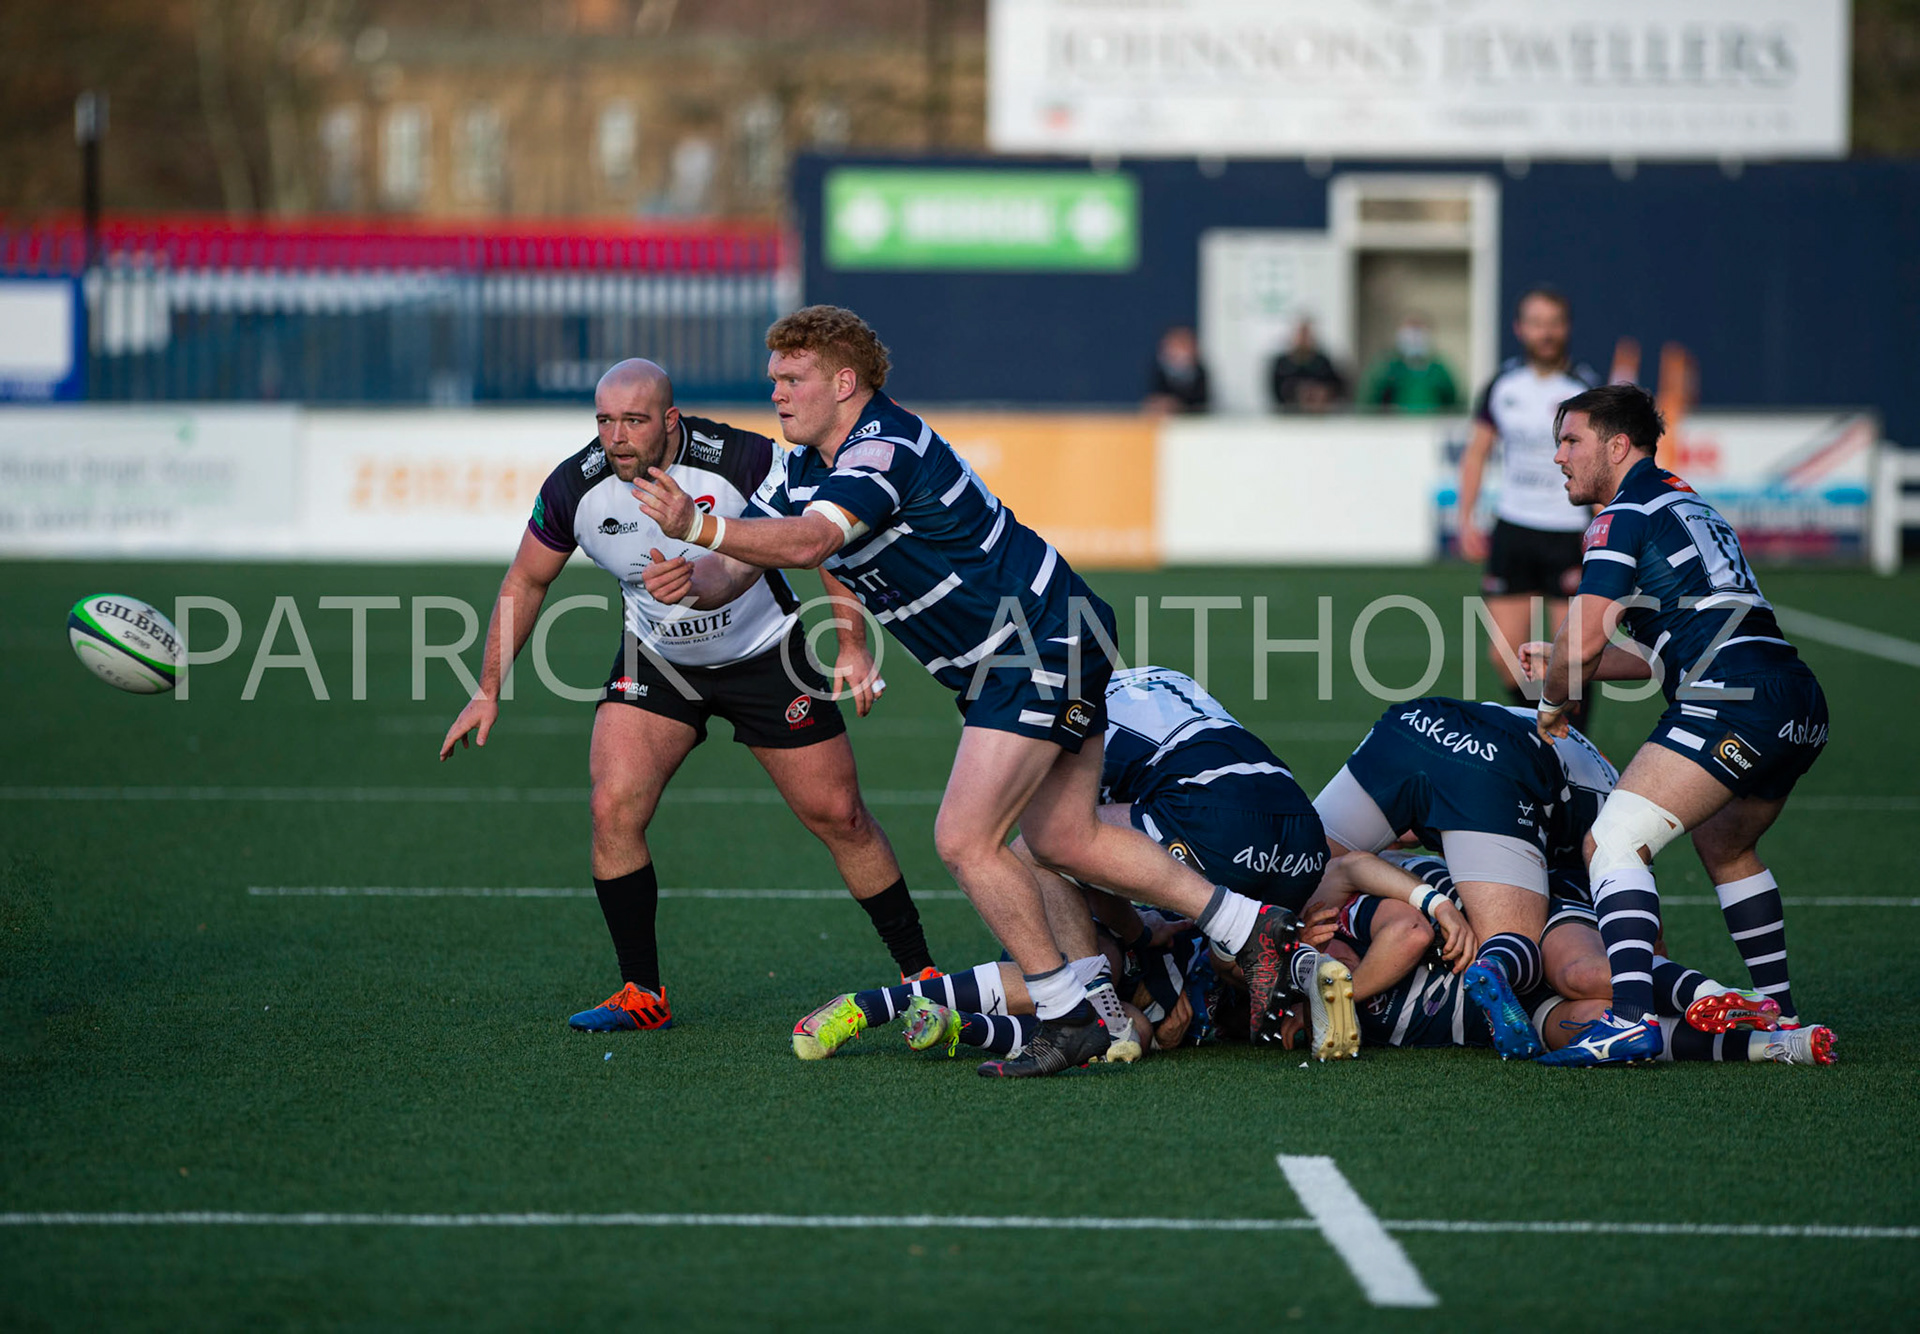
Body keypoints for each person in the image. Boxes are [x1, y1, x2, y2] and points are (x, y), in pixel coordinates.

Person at [633, 306, 1297, 1078]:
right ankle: (1253, 929)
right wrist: (692, 576)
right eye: (773, 376)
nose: (775, 391)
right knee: (1060, 840)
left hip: (1037, 641)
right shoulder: (802, 466)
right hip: (1031, 647)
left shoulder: (883, 445)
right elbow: (743, 564)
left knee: (964, 837)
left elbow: (812, 542)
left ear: (843, 382)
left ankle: (1066, 1011)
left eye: (793, 377)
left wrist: (703, 529)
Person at [438, 358, 937, 1034]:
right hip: (658, 658)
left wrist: (849, 644)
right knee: (612, 805)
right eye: (605, 421)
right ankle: (643, 992)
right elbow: (526, 582)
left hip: (765, 653)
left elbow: (819, 546)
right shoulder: (573, 488)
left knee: (840, 816)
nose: (616, 437)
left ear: (670, 421)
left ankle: (922, 978)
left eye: (634, 421)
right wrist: (486, 688)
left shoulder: (743, 459)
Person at [1524, 382, 1829, 1065]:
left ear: (1617, 445)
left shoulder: (1618, 515)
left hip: (1733, 698)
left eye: (1571, 441)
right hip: (1793, 699)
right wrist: (1580, 665)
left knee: (1611, 841)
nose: (1559, 458)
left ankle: (1630, 1021)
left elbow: (1579, 643)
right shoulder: (1686, 501)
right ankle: (1781, 1015)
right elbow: (1663, 652)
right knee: (1726, 848)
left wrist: (1551, 701)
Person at [1311, 696, 1618, 1058]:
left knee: (1294, 883)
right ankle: (1690, 992)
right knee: (1511, 957)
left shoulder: (1603, 809)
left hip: (1414, 724)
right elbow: (1643, 934)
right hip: (1492, 758)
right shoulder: (1613, 825)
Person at [1455, 288, 1605, 713]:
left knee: (1572, 664)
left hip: (1568, 534)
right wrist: (1466, 521)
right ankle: (1547, 730)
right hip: (1514, 529)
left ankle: (1572, 755)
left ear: (1566, 328)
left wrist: (1605, 533)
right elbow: (1477, 453)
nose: (1546, 332)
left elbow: (1601, 469)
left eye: (1554, 323)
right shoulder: (1503, 386)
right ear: (1520, 329)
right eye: (1537, 323)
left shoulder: (1585, 389)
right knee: (1504, 659)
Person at [1359, 315, 1459, 413]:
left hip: (1433, 425)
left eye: (1419, 333)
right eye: (1410, 334)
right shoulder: (1388, 368)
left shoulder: (1439, 371)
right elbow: (1370, 401)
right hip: (1395, 426)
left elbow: (1454, 402)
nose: (1414, 339)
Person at [1268, 318, 1346, 412]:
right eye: (1301, 334)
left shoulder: (1323, 362)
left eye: (1306, 335)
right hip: (1289, 416)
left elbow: (1337, 387)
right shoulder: (1281, 364)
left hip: (1319, 415)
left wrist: (1321, 394)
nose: (1303, 339)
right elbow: (1276, 393)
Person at [1145, 324, 1210, 414]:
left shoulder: (1200, 373)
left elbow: (1202, 403)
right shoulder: (1159, 372)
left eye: (1182, 345)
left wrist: (1178, 406)